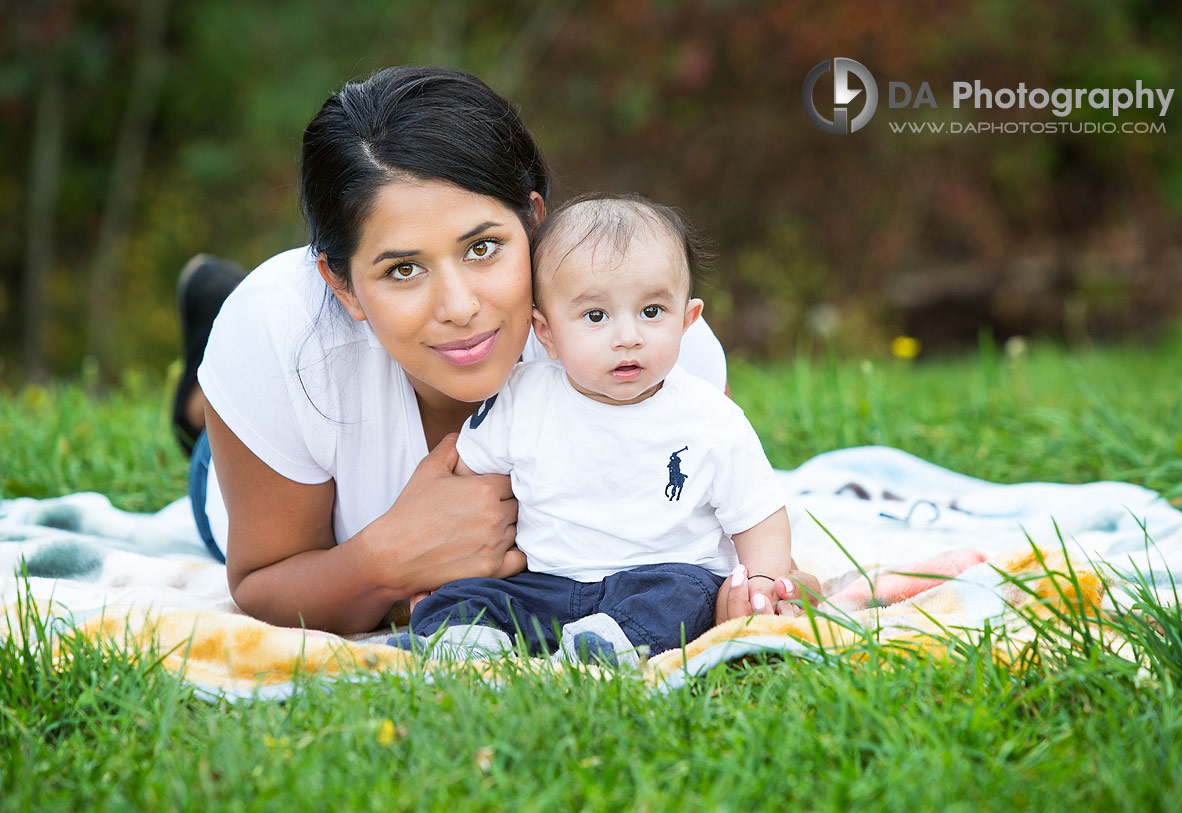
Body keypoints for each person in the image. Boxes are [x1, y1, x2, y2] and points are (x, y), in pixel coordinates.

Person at [182, 65, 820, 636]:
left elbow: (743, 541)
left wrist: (768, 589)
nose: (459, 306)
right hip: (277, 443)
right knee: (215, 439)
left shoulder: (643, 346)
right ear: (344, 285)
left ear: (534, 223)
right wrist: (384, 561)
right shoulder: (282, 334)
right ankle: (198, 398)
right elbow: (261, 582)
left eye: (483, 247)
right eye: (403, 269)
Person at [405, 194, 795, 666]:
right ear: (545, 333)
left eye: (652, 312)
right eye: (596, 316)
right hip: (545, 584)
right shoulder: (521, 398)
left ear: (688, 320)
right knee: (464, 595)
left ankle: (614, 643)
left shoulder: (710, 416)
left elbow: (759, 515)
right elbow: (467, 480)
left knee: (690, 596)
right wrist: (445, 565)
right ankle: (470, 641)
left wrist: (763, 582)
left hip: (656, 577)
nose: (628, 336)